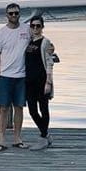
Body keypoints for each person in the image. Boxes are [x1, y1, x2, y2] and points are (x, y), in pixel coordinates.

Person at [0, 3, 31, 151]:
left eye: (16, 13)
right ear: (6, 15)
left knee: (19, 107)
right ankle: (1, 139)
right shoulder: (1, 33)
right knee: (3, 108)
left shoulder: (26, 29)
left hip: (22, 76)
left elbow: (38, 38)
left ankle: (17, 138)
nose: (14, 16)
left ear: (20, 14)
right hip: (5, 76)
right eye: (11, 13)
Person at [25, 15, 55, 149]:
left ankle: (43, 137)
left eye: (38, 26)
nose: (35, 28)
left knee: (43, 108)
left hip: (41, 80)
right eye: (33, 26)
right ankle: (46, 134)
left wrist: (48, 82)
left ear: (42, 27)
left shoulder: (45, 42)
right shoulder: (29, 42)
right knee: (32, 110)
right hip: (29, 81)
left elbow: (49, 62)